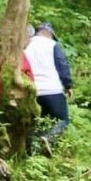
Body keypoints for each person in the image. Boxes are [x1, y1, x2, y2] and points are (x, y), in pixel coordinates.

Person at [23, 22, 74, 151]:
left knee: (37, 122)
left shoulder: (26, 43)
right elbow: (62, 65)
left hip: (31, 89)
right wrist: (68, 85)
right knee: (62, 120)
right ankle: (48, 139)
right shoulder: (52, 45)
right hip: (52, 90)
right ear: (50, 34)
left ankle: (33, 150)